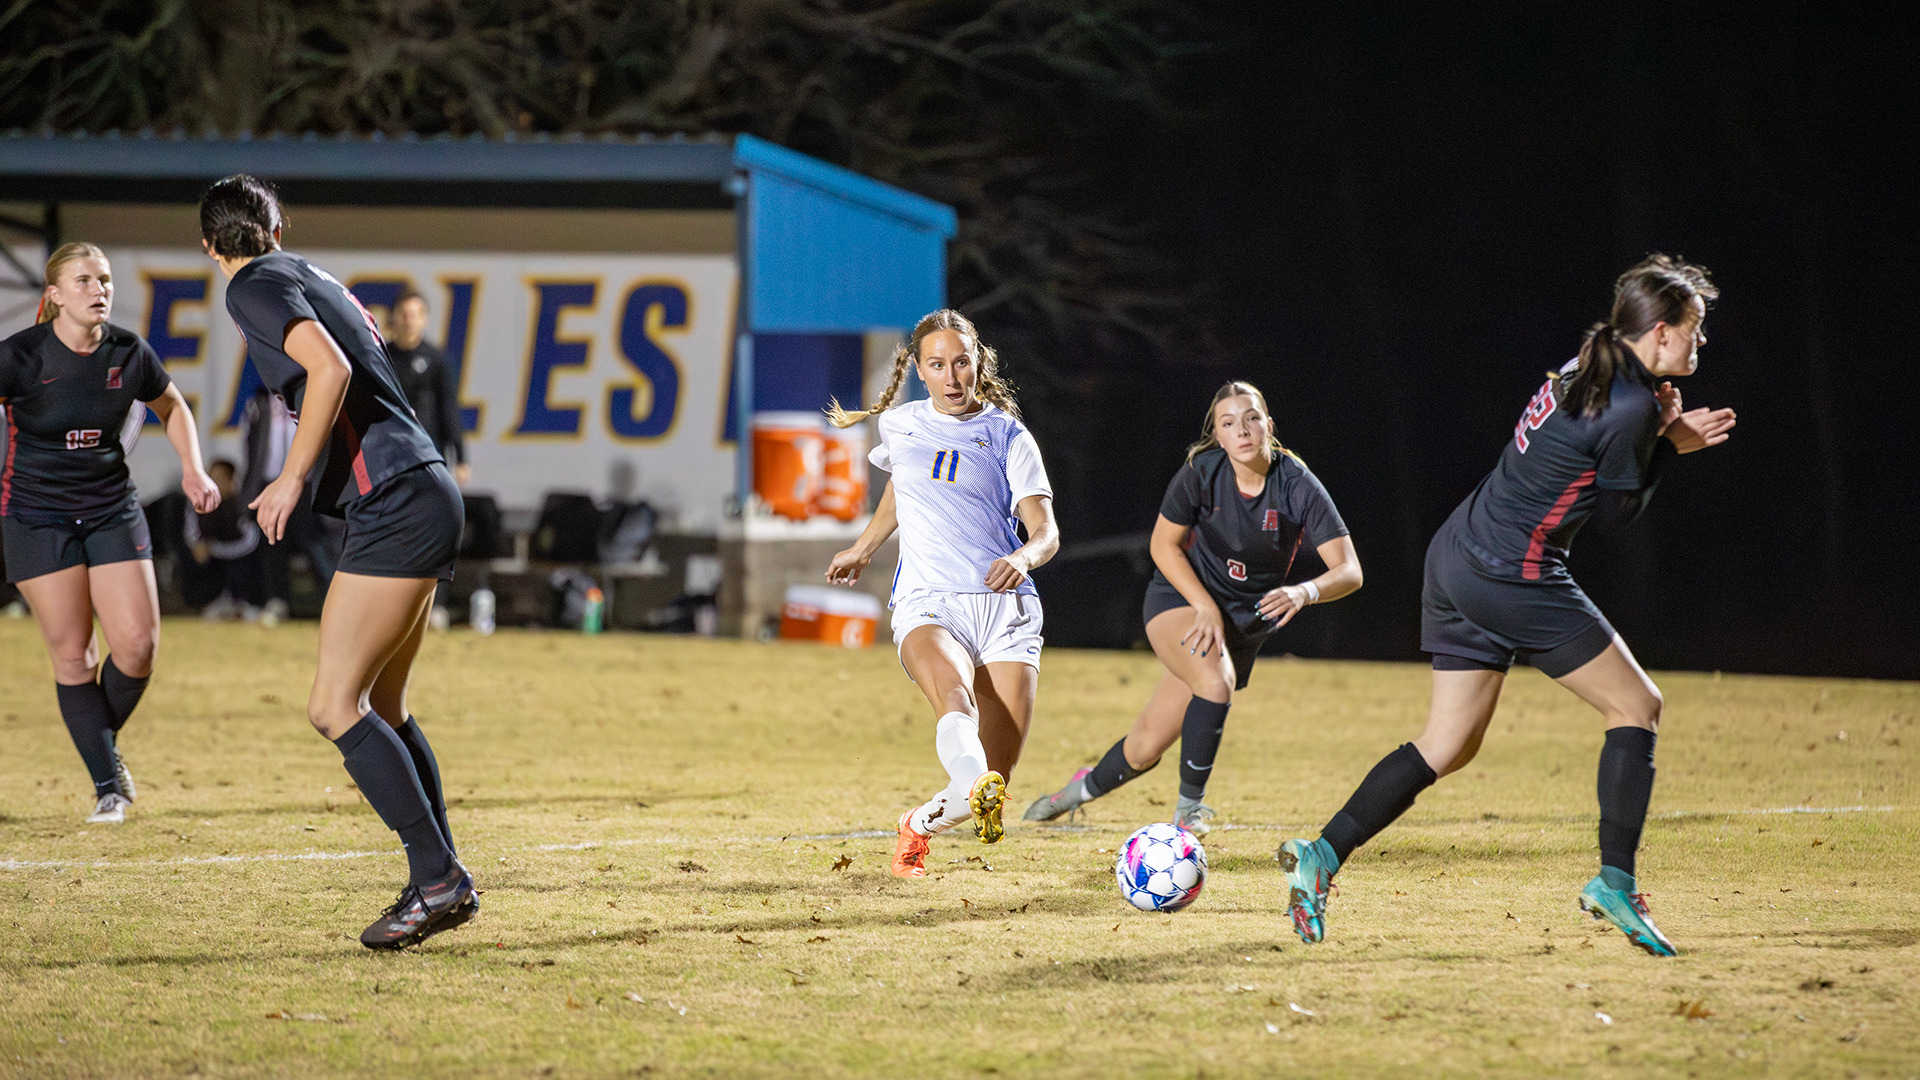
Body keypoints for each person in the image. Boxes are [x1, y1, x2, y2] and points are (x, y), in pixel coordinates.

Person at [1277, 255, 1737, 957]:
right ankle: (1615, 882)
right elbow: (1617, 519)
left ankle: (1322, 854)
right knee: (1637, 707)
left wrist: (1652, 434)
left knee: (1448, 744)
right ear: (1663, 334)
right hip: (1509, 571)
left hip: (1459, 552)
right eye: (1694, 333)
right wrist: (1670, 443)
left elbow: (1598, 457)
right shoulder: (1632, 403)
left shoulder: (1583, 368)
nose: (1700, 346)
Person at [200, 174, 475, 949]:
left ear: (209, 246)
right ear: (278, 225)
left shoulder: (251, 284)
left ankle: (438, 878)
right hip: (422, 486)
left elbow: (331, 370)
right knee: (384, 707)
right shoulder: (315, 275)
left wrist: (288, 479)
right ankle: (441, 873)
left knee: (333, 705)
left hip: (392, 495)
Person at [1024, 381, 1361, 834]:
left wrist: (1305, 592)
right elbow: (1164, 546)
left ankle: (1068, 796)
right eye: (1228, 423)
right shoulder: (1202, 471)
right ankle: (1189, 812)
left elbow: (1349, 571)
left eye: (1251, 418)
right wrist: (1203, 604)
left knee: (1145, 747)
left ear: (1268, 426)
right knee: (1215, 682)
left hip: (1240, 627)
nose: (1241, 429)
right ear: (1218, 436)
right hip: (1180, 601)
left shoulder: (1296, 484)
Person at [823, 310, 1059, 878]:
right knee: (955, 699)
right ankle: (968, 782)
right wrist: (863, 547)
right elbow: (902, 490)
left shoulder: (1007, 434)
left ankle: (918, 825)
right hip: (930, 601)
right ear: (918, 371)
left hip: (1005, 607)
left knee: (992, 787)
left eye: (961, 362)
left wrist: (1022, 556)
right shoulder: (901, 426)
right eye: (938, 365)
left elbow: (1046, 532)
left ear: (979, 364)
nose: (952, 376)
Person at [0, 241, 219, 825]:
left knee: (139, 649)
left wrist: (194, 468)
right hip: (35, 515)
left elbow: (173, 407)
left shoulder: (127, 350)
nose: (98, 290)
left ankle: (96, 739)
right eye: (84, 280)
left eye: (104, 280)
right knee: (74, 655)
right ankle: (108, 784)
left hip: (110, 506)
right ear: (53, 295)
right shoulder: (19, 356)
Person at [385, 287, 469, 487]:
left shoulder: (437, 360)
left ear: (424, 319)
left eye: (414, 315)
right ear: (394, 317)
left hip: (427, 449)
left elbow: (448, 409)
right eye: (404, 315)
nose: (409, 321)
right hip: (389, 450)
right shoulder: (382, 357)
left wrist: (461, 458)